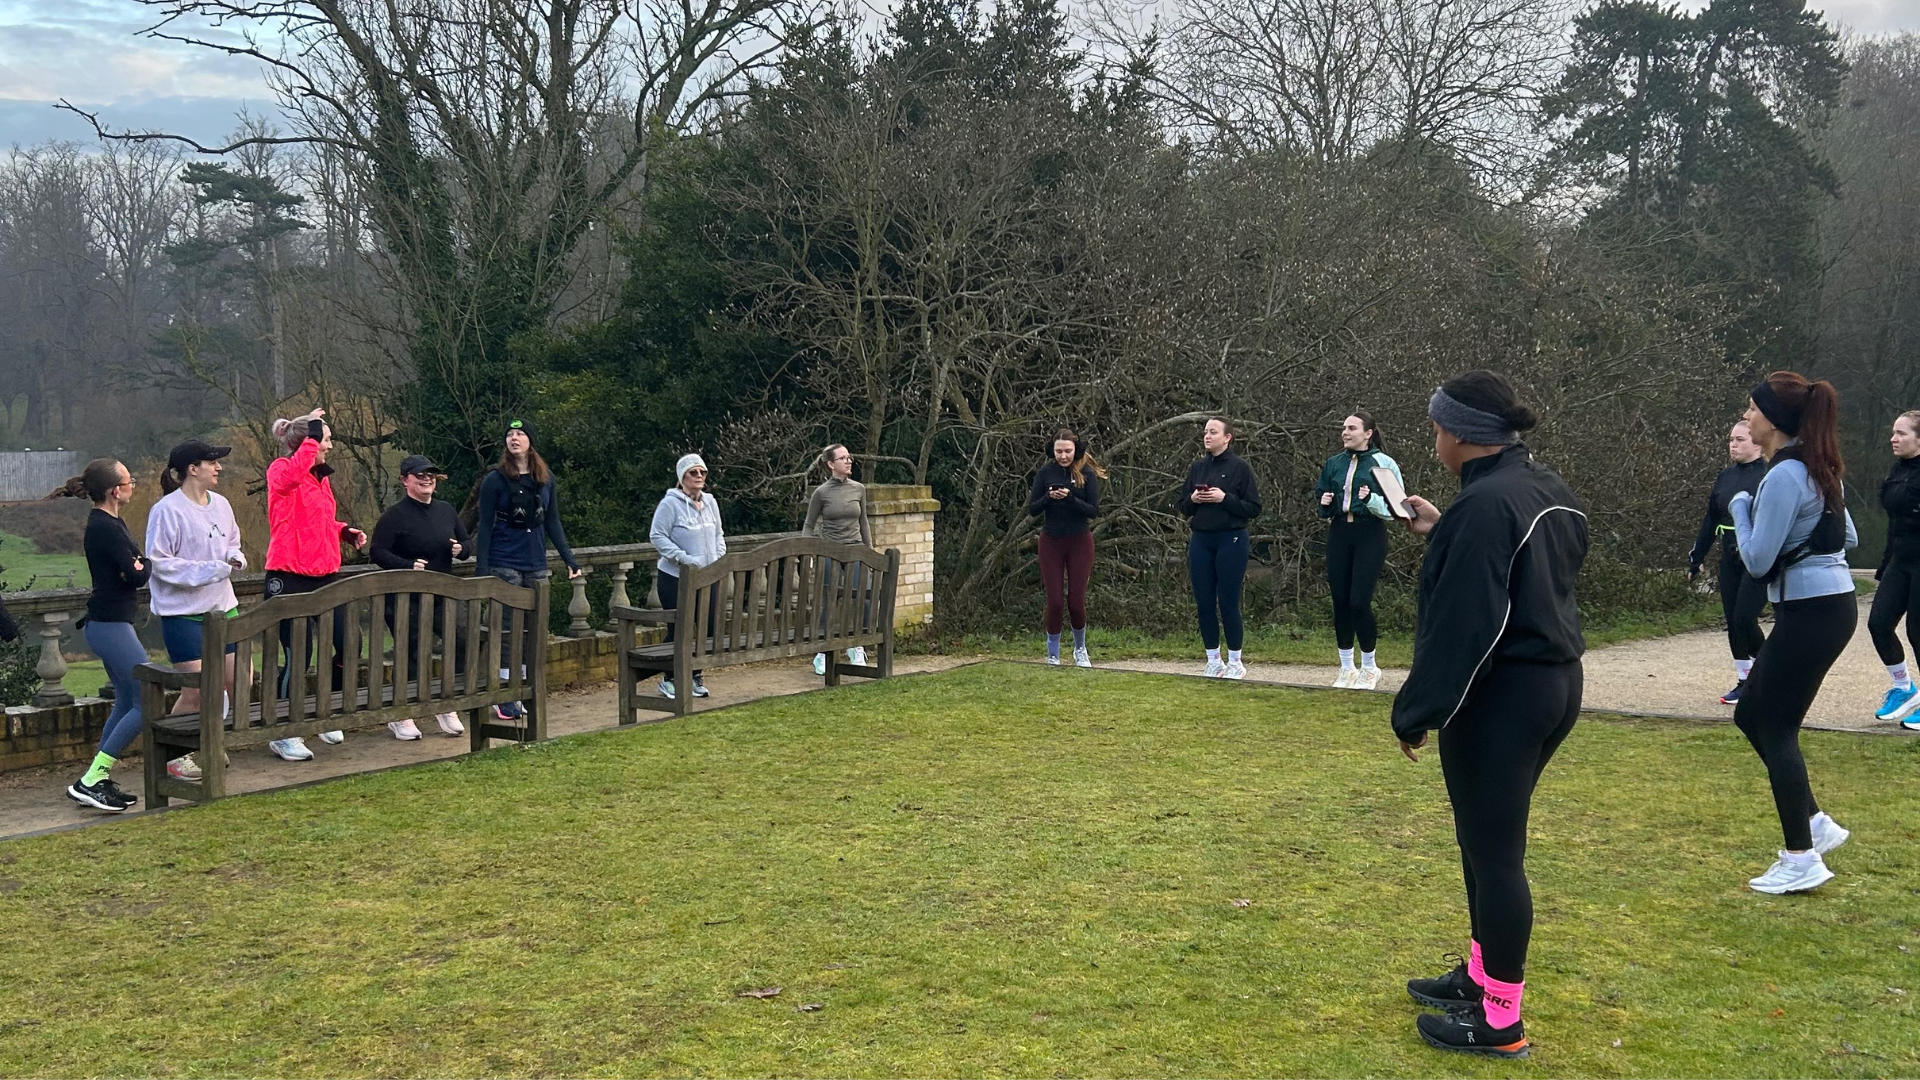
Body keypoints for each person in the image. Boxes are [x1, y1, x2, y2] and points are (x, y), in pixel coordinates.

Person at [1393, 371, 1588, 1059]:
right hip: (1556, 682)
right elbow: (1524, 575)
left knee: (1497, 855)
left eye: (1437, 427)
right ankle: (1479, 977)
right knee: (1483, 841)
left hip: (1504, 691)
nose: (1434, 437)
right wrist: (1445, 532)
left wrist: (1417, 710)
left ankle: (1500, 1018)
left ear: (1461, 434)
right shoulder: (1542, 487)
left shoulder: (1485, 508)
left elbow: (1465, 624)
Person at [1730, 371, 1859, 895]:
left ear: (1774, 419)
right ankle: (1814, 823)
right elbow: (1846, 534)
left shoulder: (1783, 476)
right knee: (1749, 713)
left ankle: (1800, 857)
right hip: (1828, 606)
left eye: (1751, 410)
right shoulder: (1818, 466)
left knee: (1777, 727)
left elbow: (1757, 561)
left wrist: (1741, 509)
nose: (1746, 418)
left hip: (1811, 613)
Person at [264, 408, 367, 761]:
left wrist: (344, 532)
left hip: (324, 575)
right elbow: (290, 480)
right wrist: (311, 431)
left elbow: (317, 521)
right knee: (299, 656)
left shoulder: (321, 479)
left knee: (349, 643)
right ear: (307, 443)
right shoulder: (281, 470)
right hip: (289, 576)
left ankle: (325, 710)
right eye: (325, 439)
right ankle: (284, 730)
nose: (331, 446)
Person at [147, 439, 246, 782]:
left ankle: (210, 745)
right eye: (211, 462)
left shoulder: (221, 504)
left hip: (223, 609)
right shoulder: (166, 510)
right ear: (192, 469)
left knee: (238, 682)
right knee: (198, 691)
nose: (218, 468)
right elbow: (161, 564)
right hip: (184, 614)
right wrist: (210, 570)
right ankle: (175, 758)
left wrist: (235, 557)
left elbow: (232, 541)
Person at [473, 418, 583, 720]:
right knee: (507, 628)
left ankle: (524, 687)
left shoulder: (545, 478)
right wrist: (482, 567)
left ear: (530, 441)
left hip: (535, 561)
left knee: (531, 628)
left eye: (520, 434)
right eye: (509, 434)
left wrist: (569, 558)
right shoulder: (495, 480)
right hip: (504, 559)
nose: (514, 438)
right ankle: (504, 692)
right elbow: (484, 524)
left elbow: (553, 521)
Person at [66, 459, 151, 812]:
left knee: (127, 700)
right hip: (109, 625)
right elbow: (135, 575)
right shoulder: (105, 527)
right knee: (147, 699)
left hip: (112, 624)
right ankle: (90, 781)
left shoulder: (111, 522)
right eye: (129, 480)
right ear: (116, 490)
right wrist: (145, 563)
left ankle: (95, 779)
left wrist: (138, 564)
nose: (133, 485)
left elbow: (132, 568)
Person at [369, 454, 472, 740]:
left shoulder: (446, 511)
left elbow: (466, 542)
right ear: (405, 480)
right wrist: (406, 564)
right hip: (406, 597)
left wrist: (460, 550)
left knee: (461, 639)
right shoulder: (395, 516)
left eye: (430, 475)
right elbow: (377, 552)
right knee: (413, 650)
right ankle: (403, 713)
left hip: (443, 592)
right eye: (419, 475)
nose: (426, 479)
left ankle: (446, 703)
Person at [1313, 411, 1402, 689]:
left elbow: (1398, 508)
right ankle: (1346, 668)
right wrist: (1325, 501)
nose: (1345, 432)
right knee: (1339, 601)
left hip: (1370, 533)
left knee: (1359, 602)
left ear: (1368, 433)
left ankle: (1370, 667)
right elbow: (1321, 498)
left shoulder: (1383, 463)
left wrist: (1372, 499)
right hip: (1340, 532)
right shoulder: (1334, 463)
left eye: (1352, 428)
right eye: (1343, 428)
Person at [1688, 420, 1771, 704]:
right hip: (1728, 556)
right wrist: (1697, 557)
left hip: (1756, 558)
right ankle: (1744, 680)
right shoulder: (1725, 477)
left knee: (1744, 617)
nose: (1733, 445)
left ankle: (1769, 673)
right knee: (1732, 621)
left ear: (1757, 443)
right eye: (1730, 439)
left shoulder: (1768, 475)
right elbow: (1711, 518)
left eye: (1740, 439)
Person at [1178, 418, 1261, 679]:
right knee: (1204, 602)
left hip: (1231, 538)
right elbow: (1183, 506)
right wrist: (1193, 498)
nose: (1207, 436)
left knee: (1227, 601)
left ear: (1227, 437)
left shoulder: (1240, 468)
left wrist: (1224, 498)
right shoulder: (1198, 467)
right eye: (1205, 432)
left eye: (1213, 432)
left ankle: (1235, 660)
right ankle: (1213, 658)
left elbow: (1253, 508)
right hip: (1202, 538)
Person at [651, 454, 725, 700]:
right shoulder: (669, 504)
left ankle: (694, 675)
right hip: (675, 577)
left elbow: (718, 534)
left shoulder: (711, 502)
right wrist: (683, 558)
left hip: (707, 575)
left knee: (708, 627)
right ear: (682, 477)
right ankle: (669, 679)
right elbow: (657, 536)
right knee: (679, 629)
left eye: (702, 472)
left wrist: (718, 557)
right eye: (693, 473)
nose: (699, 477)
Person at [1028, 429, 1104, 667]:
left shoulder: (1086, 473)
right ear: (1053, 451)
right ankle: (1053, 653)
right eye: (1059, 451)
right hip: (1051, 541)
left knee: (1076, 601)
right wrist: (1049, 498)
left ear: (1076, 450)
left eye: (1068, 451)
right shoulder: (1045, 472)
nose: (1063, 456)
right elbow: (1033, 509)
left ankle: (1080, 649)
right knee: (1055, 601)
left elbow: (1093, 510)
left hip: (1079, 541)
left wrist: (1070, 498)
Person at [803, 443, 873, 677]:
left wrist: (869, 552)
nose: (849, 461)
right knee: (829, 600)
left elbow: (864, 522)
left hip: (854, 549)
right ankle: (823, 652)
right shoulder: (821, 493)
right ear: (831, 464)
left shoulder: (859, 489)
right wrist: (810, 552)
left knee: (861, 597)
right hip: (830, 550)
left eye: (849, 457)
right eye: (843, 458)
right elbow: (809, 525)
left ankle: (857, 646)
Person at [1869, 411, 1920, 725]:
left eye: (1901, 433)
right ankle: (1904, 688)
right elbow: (1894, 524)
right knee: (1878, 624)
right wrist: (1885, 564)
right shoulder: (1897, 470)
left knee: (1918, 632)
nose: (1893, 438)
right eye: (1893, 432)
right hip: (1900, 562)